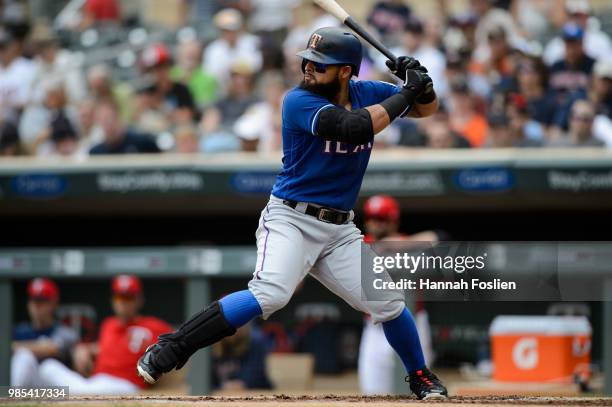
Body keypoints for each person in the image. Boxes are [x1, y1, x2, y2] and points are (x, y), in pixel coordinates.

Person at [137, 27, 448, 400]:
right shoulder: (298, 100)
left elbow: (427, 110)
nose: (308, 68)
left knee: (389, 302)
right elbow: (354, 128)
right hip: (291, 219)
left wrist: (420, 82)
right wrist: (407, 91)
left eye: (320, 64)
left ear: (347, 71)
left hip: (339, 229)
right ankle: (172, 347)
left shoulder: (368, 92)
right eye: (308, 60)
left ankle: (420, 376)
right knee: (270, 293)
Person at [358, 195, 441, 395]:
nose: (374, 224)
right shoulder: (362, 243)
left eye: (381, 219)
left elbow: (437, 237)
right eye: (371, 218)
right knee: (372, 390)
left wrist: (400, 244)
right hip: (375, 325)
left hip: (412, 323)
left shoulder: (406, 244)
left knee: (418, 388)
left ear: (393, 221)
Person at [39, 275, 173, 395]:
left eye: (128, 297)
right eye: (119, 297)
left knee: (81, 392)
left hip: (127, 385)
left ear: (139, 300)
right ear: (113, 300)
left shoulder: (155, 326)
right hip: (98, 381)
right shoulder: (108, 324)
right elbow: (106, 348)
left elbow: (178, 344)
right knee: (48, 367)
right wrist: (83, 349)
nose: (123, 303)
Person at [11, 278, 78, 387]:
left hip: (53, 390)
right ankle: (11, 399)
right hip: (25, 387)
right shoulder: (19, 331)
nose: (36, 306)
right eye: (34, 300)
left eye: (42, 300)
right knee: (24, 358)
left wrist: (14, 346)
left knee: (48, 367)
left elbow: (51, 348)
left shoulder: (64, 332)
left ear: (54, 303)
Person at [89, 102, 160, 155]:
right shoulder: (95, 152)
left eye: (110, 118)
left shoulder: (142, 142)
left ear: (119, 118)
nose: (108, 123)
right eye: (103, 119)